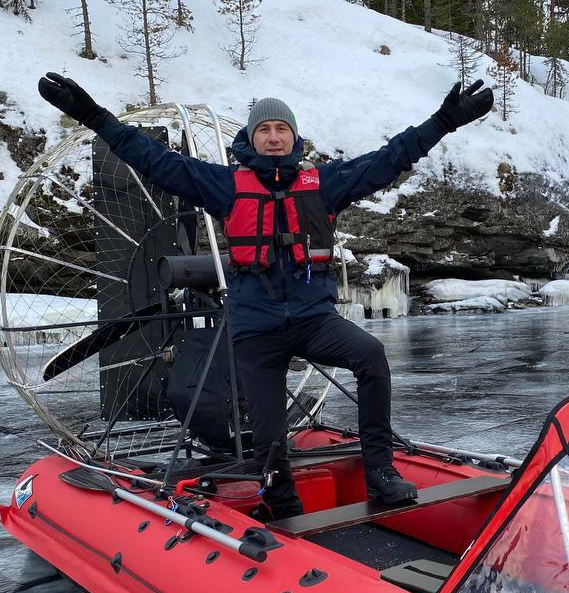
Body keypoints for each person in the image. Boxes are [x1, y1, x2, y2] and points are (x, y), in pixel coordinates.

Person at [37, 72, 494, 519]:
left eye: (281, 129)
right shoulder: (225, 186)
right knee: (269, 442)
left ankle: (380, 471)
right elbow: (155, 160)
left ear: (293, 137)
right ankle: (281, 503)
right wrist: (95, 116)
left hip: (316, 322)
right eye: (264, 130)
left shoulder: (326, 184)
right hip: (256, 332)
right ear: (251, 138)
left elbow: (390, 157)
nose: (273, 137)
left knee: (371, 355)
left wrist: (444, 121)